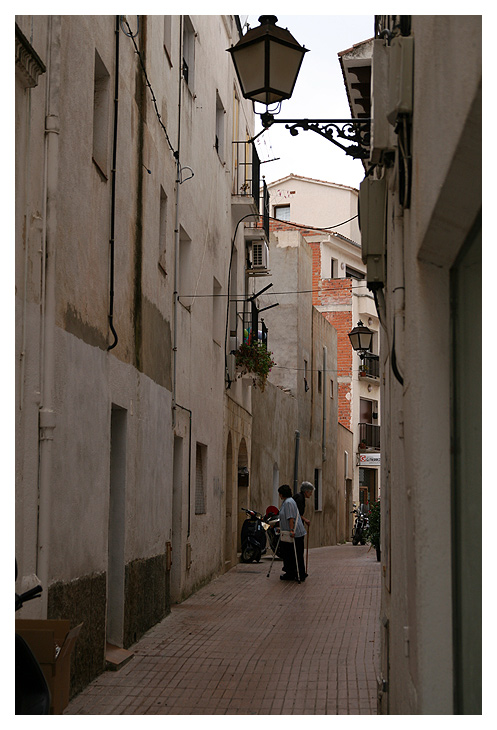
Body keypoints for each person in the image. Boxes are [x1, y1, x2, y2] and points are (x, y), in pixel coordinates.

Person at [277, 484, 306, 582]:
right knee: (291, 554)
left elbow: (290, 518)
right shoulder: (288, 501)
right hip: (290, 532)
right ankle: (293, 572)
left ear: (281, 494)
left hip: (294, 533)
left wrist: (291, 530)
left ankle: (296, 574)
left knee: (293, 553)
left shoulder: (288, 502)